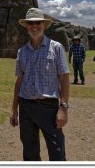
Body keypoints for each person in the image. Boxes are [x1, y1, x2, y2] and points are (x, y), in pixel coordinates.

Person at [9, 8, 70, 161]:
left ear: (44, 24)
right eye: (31, 23)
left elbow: (64, 78)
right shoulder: (22, 52)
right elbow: (19, 81)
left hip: (48, 107)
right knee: (30, 152)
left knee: (57, 152)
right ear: (26, 26)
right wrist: (14, 109)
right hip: (26, 107)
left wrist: (63, 108)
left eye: (38, 23)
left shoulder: (56, 48)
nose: (34, 26)